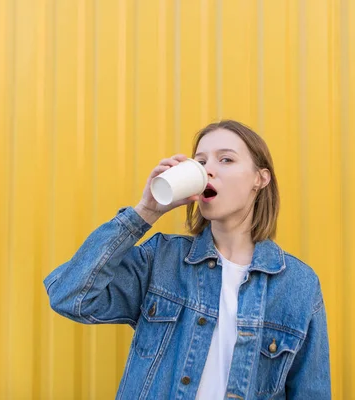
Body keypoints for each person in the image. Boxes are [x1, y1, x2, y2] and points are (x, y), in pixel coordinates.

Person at [43, 120, 331, 399]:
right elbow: (69, 296)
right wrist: (145, 211)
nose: (208, 171)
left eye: (226, 160)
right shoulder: (162, 260)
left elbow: (311, 391)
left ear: (260, 178)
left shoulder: (298, 285)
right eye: (201, 162)